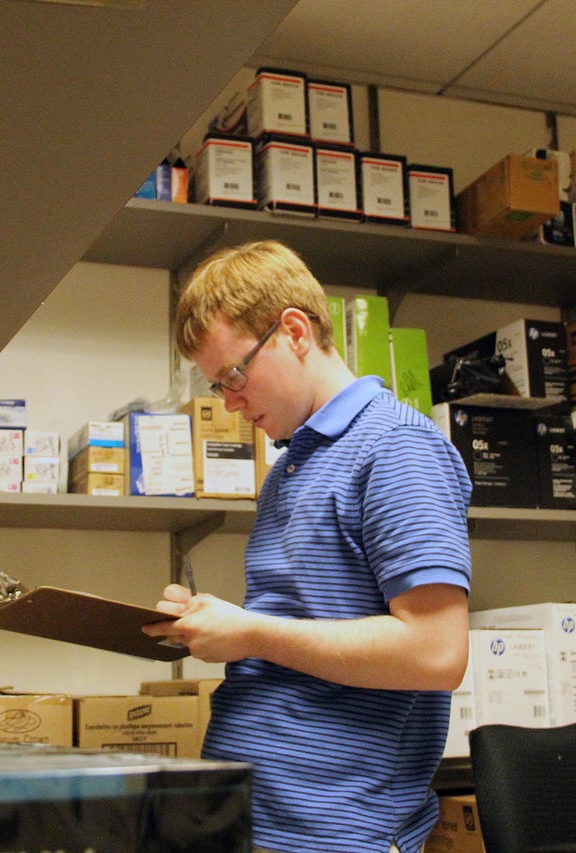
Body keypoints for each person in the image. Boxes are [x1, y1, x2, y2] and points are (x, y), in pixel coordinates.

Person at [142, 240, 472, 853]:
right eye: (218, 386)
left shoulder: (396, 448)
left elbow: (436, 653)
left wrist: (253, 633)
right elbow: (302, 628)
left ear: (294, 331)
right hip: (254, 817)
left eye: (235, 375)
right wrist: (217, 625)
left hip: (338, 832)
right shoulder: (294, 465)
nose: (231, 403)